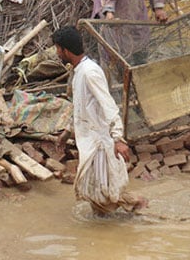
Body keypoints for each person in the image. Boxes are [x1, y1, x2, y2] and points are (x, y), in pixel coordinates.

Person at [52, 25, 147, 216]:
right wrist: (67, 132)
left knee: (104, 194)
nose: (56, 53)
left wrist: (118, 138)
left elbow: (108, 105)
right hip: (89, 142)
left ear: (65, 50)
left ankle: (138, 208)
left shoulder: (90, 73)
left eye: (57, 49)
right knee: (98, 194)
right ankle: (126, 216)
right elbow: (81, 108)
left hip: (100, 143)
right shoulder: (79, 72)